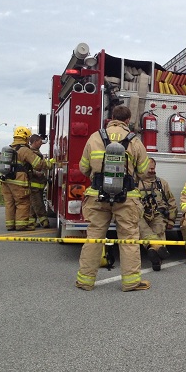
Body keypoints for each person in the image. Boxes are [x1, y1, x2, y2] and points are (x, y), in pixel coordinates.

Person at [75, 105, 152, 292]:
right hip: (126, 197)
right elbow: (144, 171)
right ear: (127, 121)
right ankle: (131, 282)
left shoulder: (95, 137)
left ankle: (85, 281)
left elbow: (83, 168)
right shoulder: (134, 140)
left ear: (111, 118)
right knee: (128, 239)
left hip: (97, 196)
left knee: (94, 237)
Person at [0, 126, 55, 231]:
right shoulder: (24, 150)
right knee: (22, 202)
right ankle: (21, 225)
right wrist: (50, 164)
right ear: (25, 137)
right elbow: (38, 164)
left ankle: (10, 225)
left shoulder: (9, 148)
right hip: (18, 181)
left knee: (9, 203)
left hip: (5, 180)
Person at [139, 159, 177, 271]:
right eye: (149, 168)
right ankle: (157, 248)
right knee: (140, 226)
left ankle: (153, 253)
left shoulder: (162, 183)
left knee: (159, 229)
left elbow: (171, 201)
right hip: (140, 216)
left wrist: (171, 220)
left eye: (153, 168)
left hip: (157, 214)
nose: (152, 170)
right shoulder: (134, 183)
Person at [28, 134, 50, 228]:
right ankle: (43, 220)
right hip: (34, 183)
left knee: (34, 202)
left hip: (39, 183)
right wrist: (36, 172)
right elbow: (28, 167)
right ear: (35, 141)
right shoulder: (30, 153)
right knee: (38, 202)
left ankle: (31, 221)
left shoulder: (36, 152)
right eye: (40, 142)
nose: (41, 144)